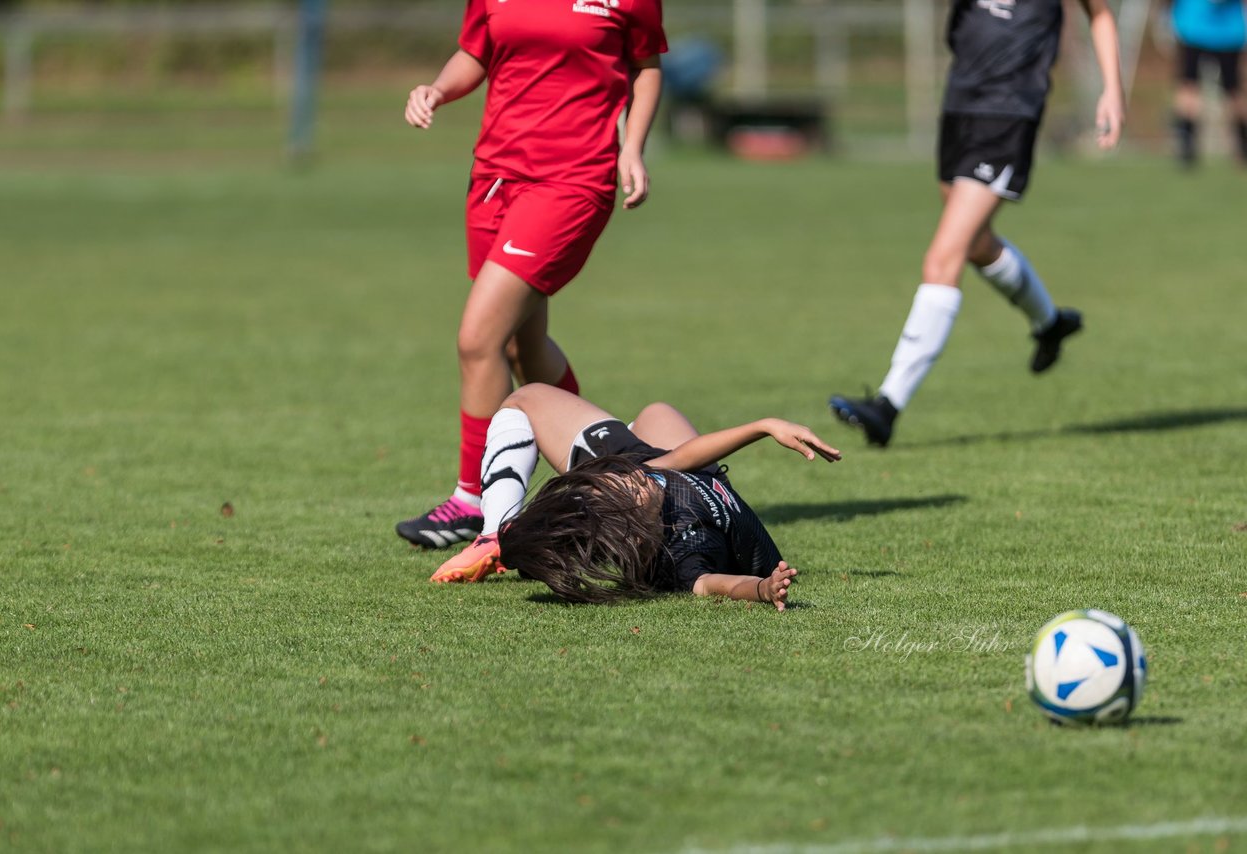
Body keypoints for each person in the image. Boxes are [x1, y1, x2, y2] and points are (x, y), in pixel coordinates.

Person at [398, 0, 667, 548]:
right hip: (495, 178)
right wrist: (437, 90)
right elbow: (476, 52)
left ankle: (472, 503)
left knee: (478, 340)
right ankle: (616, 473)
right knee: (523, 347)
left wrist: (632, 148)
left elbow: (646, 67)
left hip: (572, 182)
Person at [829, 0, 1125, 447]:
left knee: (943, 256)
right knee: (975, 243)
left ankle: (888, 405)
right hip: (961, 104)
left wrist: (1113, 90)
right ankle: (1049, 323)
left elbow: (1099, 12)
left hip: (1010, 114)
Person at [429, 384, 842, 610]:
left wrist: (765, 426)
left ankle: (508, 532)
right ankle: (492, 535)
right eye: (621, 488)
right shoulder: (677, 555)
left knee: (651, 411)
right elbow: (711, 585)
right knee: (523, 404)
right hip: (685, 506)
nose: (629, 479)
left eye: (615, 480)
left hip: (660, 465)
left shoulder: (642, 477)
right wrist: (762, 589)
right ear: (625, 526)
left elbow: (679, 459)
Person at [1168, 0, 1247, 166]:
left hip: (1226, 31)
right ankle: (1186, 143)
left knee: (1231, 89)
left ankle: (1242, 142)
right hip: (1193, 26)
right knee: (1189, 84)